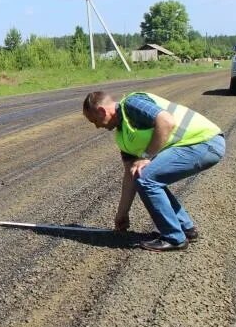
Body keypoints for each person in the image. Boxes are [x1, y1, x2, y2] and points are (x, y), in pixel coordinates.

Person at [82, 91, 225, 252]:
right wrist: (122, 213)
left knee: (147, 178)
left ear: (102, 111)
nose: (97, 126)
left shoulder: (132, 104)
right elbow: (131, 175)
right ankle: (186, 229)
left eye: (95, 120)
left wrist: (146, 156)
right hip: (196, 146)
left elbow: (166, 121)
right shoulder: (122, 136)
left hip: (205, 142)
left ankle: (174, 237)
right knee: (145, 175)